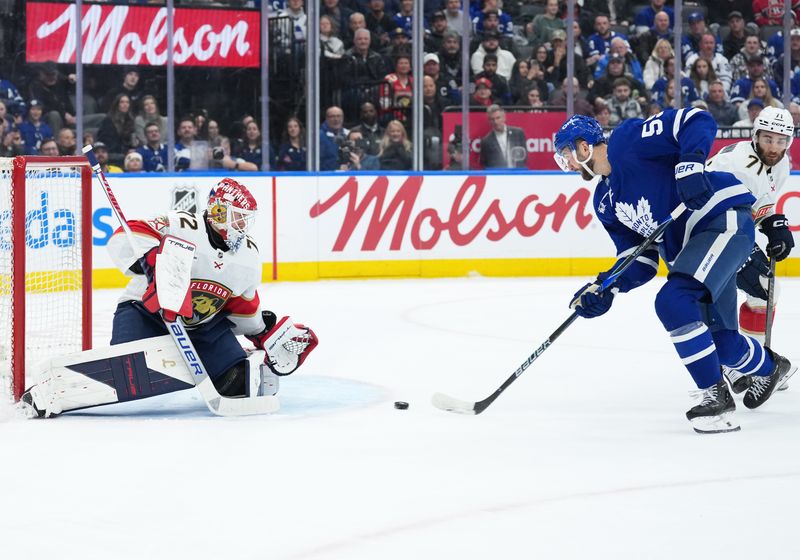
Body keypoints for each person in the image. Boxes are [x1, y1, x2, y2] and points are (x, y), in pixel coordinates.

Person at [552, 111, 796, 433]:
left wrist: (690, 165)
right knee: (722, 344)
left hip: (720, 220)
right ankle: (770, 367)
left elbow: (695, 120)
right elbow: (640, 259)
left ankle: (716, 398)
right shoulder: (604, 202)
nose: (566, 164)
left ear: (584, 147)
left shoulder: (626, 141)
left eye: (566, 154)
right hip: (694, 253)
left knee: (673, 301)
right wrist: (607, 286)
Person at [22, 179, 318, 417]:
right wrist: (149, 259)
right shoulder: (182, 225)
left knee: (237, 381)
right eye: (237, 218)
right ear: (217, 212)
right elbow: (126, 233)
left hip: (203, 327)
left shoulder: (248, 256)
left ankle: (214, 360)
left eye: (245, 220)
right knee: (126, 368)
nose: (242, 226)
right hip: (145, 311)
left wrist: (261, 331)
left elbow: (242, 306)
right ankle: (51, 391)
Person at [706, 108, 795, 389]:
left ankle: (747, 362)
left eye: (781, 141)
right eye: (768, 139)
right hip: (706, 231)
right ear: (755, 135)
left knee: (765, 289)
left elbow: (759, 203)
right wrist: (773, 224)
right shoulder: (739, 163)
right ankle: (746, 364)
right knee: (753, 290)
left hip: (730, 228)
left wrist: (774, 223)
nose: (774, 147)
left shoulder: (780, 163)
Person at [479, 104, 527, 169]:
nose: (495, 122)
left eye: (498, 118)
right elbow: (485, 163)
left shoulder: (518, 133)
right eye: (492, 119)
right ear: (489, 121)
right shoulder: (486, 141)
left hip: (517, 173)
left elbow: (524, 155)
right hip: (498, 176)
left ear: (504, 118)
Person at [97, 93, 138, 167]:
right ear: (117, 104)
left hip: (126, 151)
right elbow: (107, 142)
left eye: (127, 102)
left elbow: (131, 140)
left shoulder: (130, 120)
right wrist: (125, 151)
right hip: (112, 151)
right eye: (122, 102)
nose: (125, 104)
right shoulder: (108, 121)